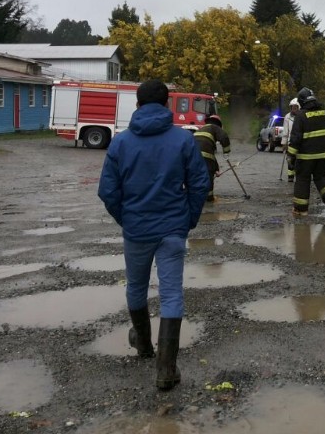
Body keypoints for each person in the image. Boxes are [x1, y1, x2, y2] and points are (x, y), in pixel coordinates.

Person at [97, 79, 211, 391]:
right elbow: (200, 183)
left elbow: (108, 191)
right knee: (172, 293)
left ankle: (144, 346)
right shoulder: (183, 139)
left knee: (136, 286)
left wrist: (127, 219)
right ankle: (166, 369)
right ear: (166, 105)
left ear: (137, 104)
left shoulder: (120, 143)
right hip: (173, 228)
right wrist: (188, 219)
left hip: (137, 229)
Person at [286, 87, 325, 216]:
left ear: (302, 102)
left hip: (306, 157)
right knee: (322, 177)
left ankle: (301, 210)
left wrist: (291, 156)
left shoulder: (301, 116)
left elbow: (295, 138)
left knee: (303, 180)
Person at [194, 114, 231, 202]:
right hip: (204, 154)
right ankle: (209, 198)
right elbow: (224, 136)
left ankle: (193, 195)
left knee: (195, 175)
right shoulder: (215, 127)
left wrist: (216, 169)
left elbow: (211, 157)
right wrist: (226, 152)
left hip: (192, 155)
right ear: (218, 124)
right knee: (208, 175)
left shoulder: (201, 129)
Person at [281, 98, 300, 183]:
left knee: (300, 160)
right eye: (292, 107)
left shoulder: (302, 116)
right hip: (290, 142)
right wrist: (284, 143)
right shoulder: (287, 117)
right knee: (290, 160)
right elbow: (285, 131)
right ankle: (290, 176)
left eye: (295, 107)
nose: (294, 109)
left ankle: (300, 176)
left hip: (300, 142)